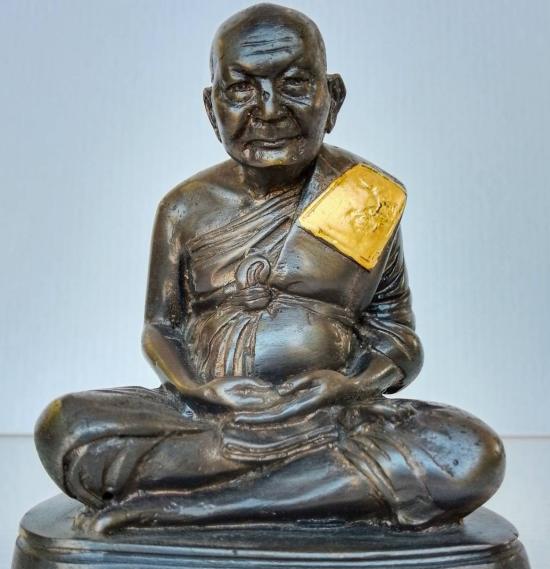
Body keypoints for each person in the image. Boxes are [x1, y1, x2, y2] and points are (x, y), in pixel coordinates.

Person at [35, 3, 504, 532]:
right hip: (210, 418)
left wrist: (348, 386)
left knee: (472, 451)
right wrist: (197, 392)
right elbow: (161, 326)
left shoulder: (362, 199)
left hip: (331, 418)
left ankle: (201, 506)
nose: (270, 110)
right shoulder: (184, 208)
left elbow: (397, 336)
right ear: (211, 108)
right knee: (65, 427)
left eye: (295, 84)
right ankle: (305, 489)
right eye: (241, 89)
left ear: (334, 98)